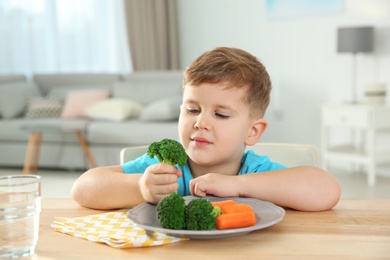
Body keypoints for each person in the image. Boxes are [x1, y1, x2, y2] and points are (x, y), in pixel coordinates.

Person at [71, 47, 341, 211]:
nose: (200, 122)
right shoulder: (166, 167)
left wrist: (237, 185)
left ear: (253, 132)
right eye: (192, 110)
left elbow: (326, 189)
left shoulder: (254, 172)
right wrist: (141, 187)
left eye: (221, 114)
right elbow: (83, 188)